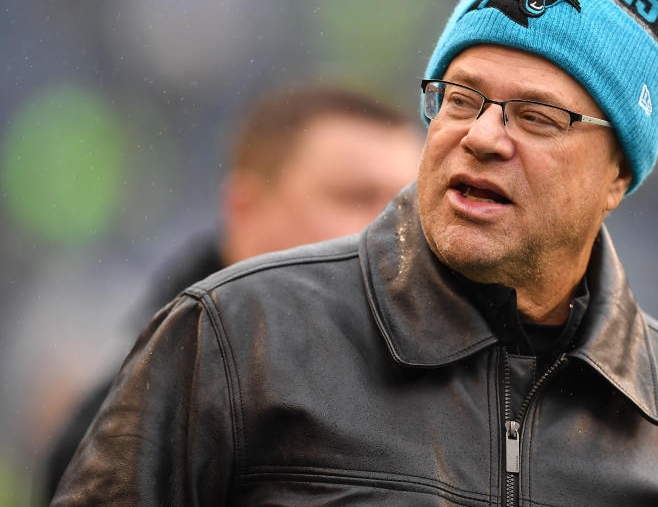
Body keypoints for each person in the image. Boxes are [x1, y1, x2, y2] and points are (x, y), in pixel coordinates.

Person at [52, 0, 658, 506]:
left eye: (535, 116)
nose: (483, 136)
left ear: (617, 174)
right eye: (460, 99)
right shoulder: (235, 338)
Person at [42, 84, 422, 502]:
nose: (395, 228)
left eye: (409, 204)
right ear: (246, 211)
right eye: (357, 197)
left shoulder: (463, 386)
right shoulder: (126, 438)